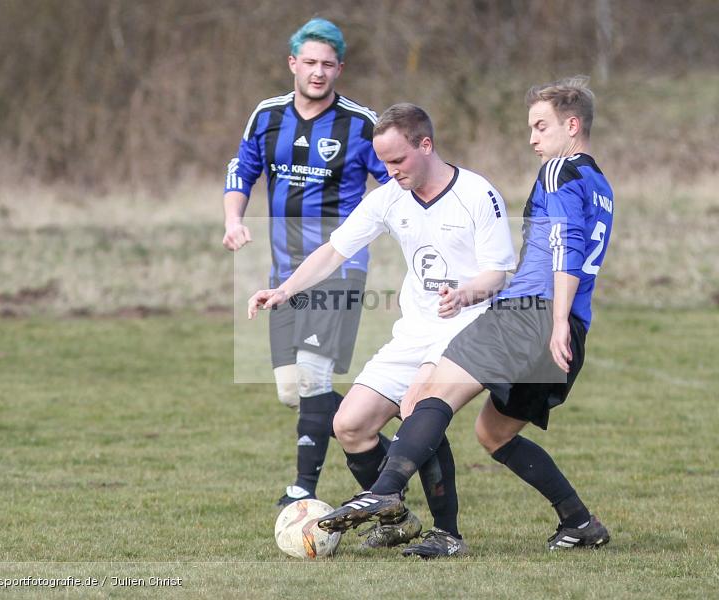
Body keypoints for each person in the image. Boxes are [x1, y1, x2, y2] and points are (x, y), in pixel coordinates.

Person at [317, 76, 615, 552]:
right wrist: (566, 325)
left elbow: (566, 245)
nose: (532, 138)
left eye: (541, 126)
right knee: (493, 434)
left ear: (572, 125)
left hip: (530, 314)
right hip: (571, 330)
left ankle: (391, 497)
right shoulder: (601, 184)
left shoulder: (560, 171)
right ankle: (579, 521)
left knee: (429, 395)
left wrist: (554, 319)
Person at [249, 103, 516, 557]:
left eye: (398, 161)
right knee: (350, 425)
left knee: (417, 410)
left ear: (425, 145)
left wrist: (465, 293)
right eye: (384, 162)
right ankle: (396, 517)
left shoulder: (476, 193)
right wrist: (284, 291)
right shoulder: (389, 197)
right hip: (414, 331)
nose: (389, 171)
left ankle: (447, 534)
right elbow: (333, 251)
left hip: (469, 326)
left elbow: (500, 273)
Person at [222, 18, 390, 507]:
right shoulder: (268, 115)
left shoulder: (361, 123)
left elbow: (399, 182)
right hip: (284, 276)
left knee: (315, 377)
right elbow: (242, 168)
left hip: (341, 268)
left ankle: (302, 490)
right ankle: (398, 439)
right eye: (309, 63)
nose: (318, 73)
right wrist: (234, 219)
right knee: (292, 390)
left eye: (328, 65)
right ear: (293, 64)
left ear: (340, 68)